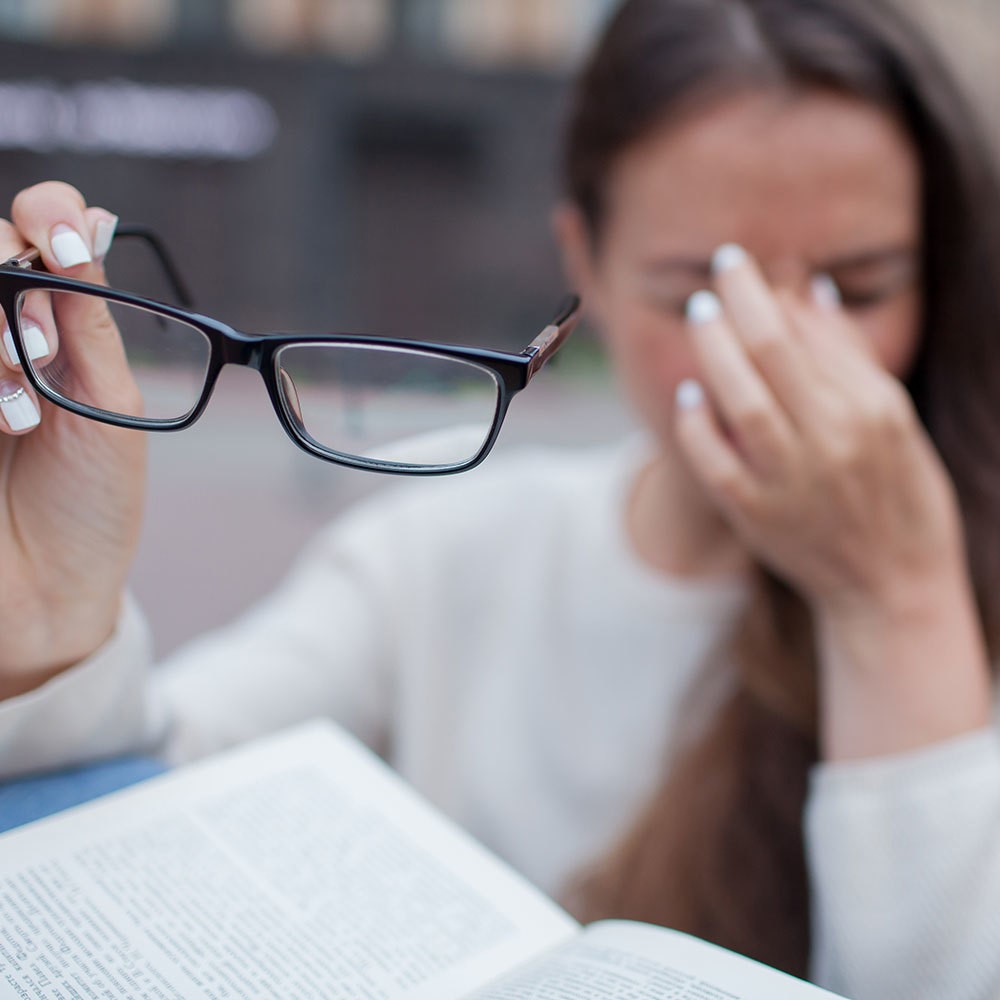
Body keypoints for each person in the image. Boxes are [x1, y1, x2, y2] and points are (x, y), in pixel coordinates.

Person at [2, 0, 1000, 995]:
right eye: (698, 295)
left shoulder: (966, 590)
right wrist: (50, 627)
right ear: (587, 269)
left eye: (855, 289)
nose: (775, 356)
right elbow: (150, 806)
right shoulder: (447, 554)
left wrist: (897, 597)